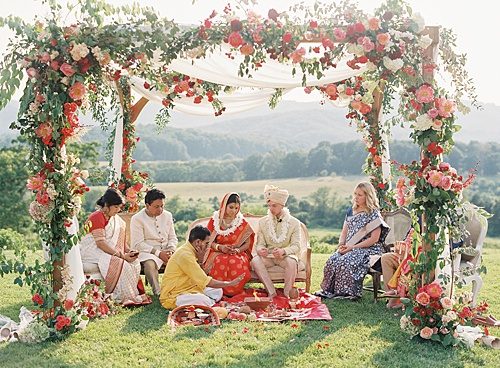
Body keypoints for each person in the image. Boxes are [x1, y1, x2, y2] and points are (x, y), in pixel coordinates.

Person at [315, 181, 390, 300]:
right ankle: (330, 290)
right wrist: (341, 245)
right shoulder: (350, 211)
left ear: (368, 196)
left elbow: (374, 239)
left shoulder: (373, 214)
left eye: (360, 195)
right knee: (332, 260)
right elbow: (344, 231)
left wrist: (352, 248)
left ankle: (348, 293)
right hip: (349, 246)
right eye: (355, 194)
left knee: (346, 261)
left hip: (368, 249)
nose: (356, 197)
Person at [79, 188, 150, 305]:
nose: (118, 210)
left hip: (106, 249)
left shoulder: (116, 220)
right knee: (120, 263)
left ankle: (133, 295)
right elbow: (100, 243)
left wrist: (128, 251)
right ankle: (120, 297)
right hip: (92, 250)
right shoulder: (96, 217)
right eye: (116, 207)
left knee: (134, 262)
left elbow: (121, 242)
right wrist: (122, 256)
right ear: (107, 205)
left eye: (119, 207)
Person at [159, 225, 244, 309]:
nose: (208, 246)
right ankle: (209, 303)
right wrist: (229, 283)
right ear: (198, 242)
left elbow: (200, 276)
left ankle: (208, 302)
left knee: (218, 291)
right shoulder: (185, 255)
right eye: (207, 243)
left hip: (190, 287)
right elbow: (206, 281)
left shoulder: (191, 250)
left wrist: (200, 260)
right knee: (203, 300)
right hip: (173, 295)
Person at [251, 185, 302, 299]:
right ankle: (271, 292)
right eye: (269, 206)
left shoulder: (294, 222)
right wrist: (260, 250)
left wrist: (284, 251)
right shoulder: (263, 222)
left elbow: (296, 246)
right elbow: (260, 244)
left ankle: (287, 294)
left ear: (282, 205)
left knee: (292, 262)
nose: (270, 208)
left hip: (284, 256)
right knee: (255, 260)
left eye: (274, 206)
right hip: (268, 257)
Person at [202, 193, 254, 296]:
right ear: (224, 206)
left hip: (237, 252)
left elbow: (247, 243)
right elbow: (208, 241)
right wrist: (220, 247)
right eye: (231, 207)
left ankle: (234, 292)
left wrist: (237, 250)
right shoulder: (215, 220)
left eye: (236, 208)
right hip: (217, 251)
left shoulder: (241, 222)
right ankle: (218, 291)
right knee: (219, 260)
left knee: (235, 261)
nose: (234, 211)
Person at [130, 189, 178, 295]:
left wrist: (171, 249)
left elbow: (173, 237)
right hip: (148, 252)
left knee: (184, 258)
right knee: (150, 264)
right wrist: (158, 253)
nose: (160, 209)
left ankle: (179, 288)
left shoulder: (167, 215)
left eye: (162, 206)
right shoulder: (137, 219)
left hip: (167, 250)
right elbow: (138, 244)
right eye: (157, 207)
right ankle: (158, 292)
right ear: (147, 205)